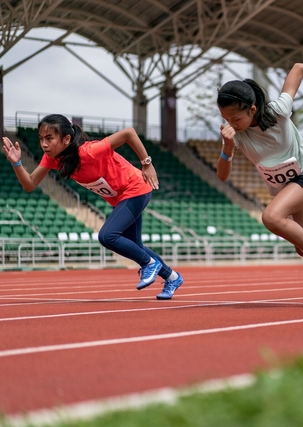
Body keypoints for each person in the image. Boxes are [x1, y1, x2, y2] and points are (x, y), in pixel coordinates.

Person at [215, 63, 303, 303]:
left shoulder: (278, 110)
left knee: (271, 218)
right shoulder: (236, 136)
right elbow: (222, 175)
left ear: (252, 109)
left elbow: (298, 69)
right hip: (285, 188)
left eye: (236, 118)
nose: (231, 124)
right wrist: (227, 148)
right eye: (226, 118)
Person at [2, 114, 183, 300]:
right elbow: (30, 184)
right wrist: (17, 163)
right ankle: (172, 277)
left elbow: (129, 133)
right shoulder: (53, 159)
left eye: (49, 138)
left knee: (108, 236)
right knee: (135, 245)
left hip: (136, 188)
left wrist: (147, 164)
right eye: (41, 139)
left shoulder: (89, 151)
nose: (44, 144)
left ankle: (148, 263)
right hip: (121, 198)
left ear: (66, 139)